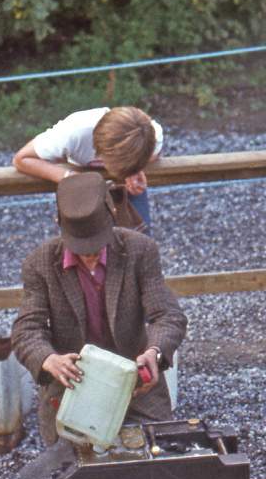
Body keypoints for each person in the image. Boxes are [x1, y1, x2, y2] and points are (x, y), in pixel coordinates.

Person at [11, 173, 187, 445]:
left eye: (96, 242)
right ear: (59, 224)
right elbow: (26, 329)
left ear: (112, 215)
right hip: (73, 388)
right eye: (80, 246)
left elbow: (167, 315)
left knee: (158, 460)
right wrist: (49, 359)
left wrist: (155, 351)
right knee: (74, 474)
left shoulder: (140, 250)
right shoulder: (40, 263)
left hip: (137, 386)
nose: (90, 254)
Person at [12, 106, 164, 230]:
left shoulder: (150, 134)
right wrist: (70, 177)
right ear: (99, 147)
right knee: (85, 245)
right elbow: (21, 159)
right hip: (79, 184)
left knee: (140, 243)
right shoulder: (74, 132)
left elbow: (154, 154)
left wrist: (134, 168)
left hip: (125, 185)